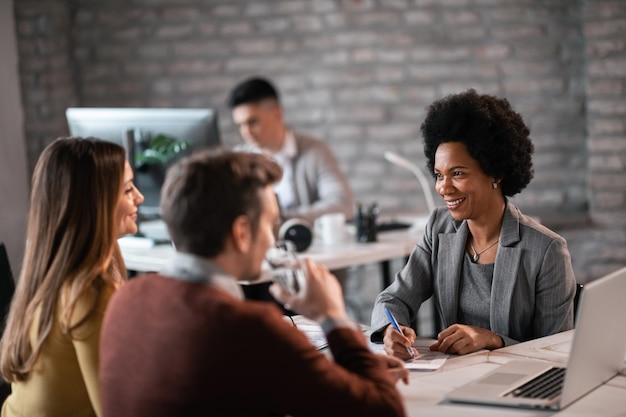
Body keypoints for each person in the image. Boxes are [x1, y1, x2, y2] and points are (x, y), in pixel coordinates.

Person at [99, 149, 408, 417]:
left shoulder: (126, 299)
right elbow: (385, 411)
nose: (272, 240)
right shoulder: (248, 327)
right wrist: (333, 316)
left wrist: (346, 376)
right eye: (270, 224)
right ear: (242, 232)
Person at [370, 89, 577, 358]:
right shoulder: (439, 228)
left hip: (515, 383)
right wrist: (391, 330)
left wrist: (494, 340)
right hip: (452, 376)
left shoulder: (547, 250)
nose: (443, 188)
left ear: (496, 172)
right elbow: (392, 299)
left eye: (457, 174)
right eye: (438, 175)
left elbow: (558, 351)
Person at [0, 137, 144, 416]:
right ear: (96, 204)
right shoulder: (89, 291)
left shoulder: (52, 274)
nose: (139, 197)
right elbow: (116, 409)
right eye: (127, 189)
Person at [228, 76, 354, 224]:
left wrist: (281, 219)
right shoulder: (238, 159)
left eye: (252, 122)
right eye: (240, 125)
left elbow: (343, 205)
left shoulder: (315, 151)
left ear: (277, 113)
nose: (246, 132)